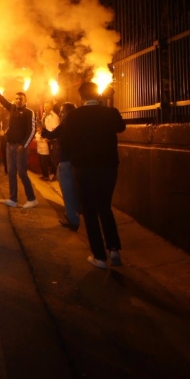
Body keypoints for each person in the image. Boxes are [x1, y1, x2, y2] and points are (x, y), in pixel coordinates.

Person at [49, 82, 127, 269]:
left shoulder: (74, 116)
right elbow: (121, 127)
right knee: (105, 207)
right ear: (97, 94)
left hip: (84, 168)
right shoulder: (110, 112)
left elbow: (65, 142)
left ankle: (99, 256)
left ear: (81, 97)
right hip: (108, 167)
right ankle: (114, 248)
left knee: (90, 211)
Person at [0, 83, 38, 209]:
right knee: (11, 172)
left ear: (26, 100)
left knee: (22, 173)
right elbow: (1, 98)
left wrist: (24, 144)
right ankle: (13, 199)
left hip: (20, 147)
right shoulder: (12, 108)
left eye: (20, 99)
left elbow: (32, 130)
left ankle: (32, 199)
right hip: (10, 145)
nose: (18, 100)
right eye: (16, 98)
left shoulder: (29, 112)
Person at [41, 102, 79, 230]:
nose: (61, 114)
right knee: (74, 191)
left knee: (67, 192)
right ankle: (75, 213)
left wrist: (41, 128)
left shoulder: (65, 125)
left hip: (66, 162)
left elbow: (50, 135)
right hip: (76, 163)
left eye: (63, 111)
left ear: (69, 112)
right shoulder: (78, 125)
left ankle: (72, 219)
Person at [36, 101, 60, 181]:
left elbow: (55, 129)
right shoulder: (45, 115)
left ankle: (54, 175)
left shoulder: (54, 116)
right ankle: (47, 174)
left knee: (53, 158)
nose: (45, 108)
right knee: (48, 158)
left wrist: (49, 137)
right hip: (47, 139)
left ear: (51, 107)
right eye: (45, 106)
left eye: (47, 106)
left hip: (52, 140)